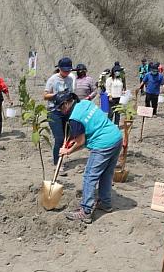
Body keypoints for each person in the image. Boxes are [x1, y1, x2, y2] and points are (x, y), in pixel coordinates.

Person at [53, 92, 123, 225]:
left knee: (90, 176)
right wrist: (71, 143)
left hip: (103, 144)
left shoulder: (75, 119)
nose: (61, 111)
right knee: (106, 174)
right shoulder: (85, 103)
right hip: (116, 137)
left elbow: (80, 142)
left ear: (67, 103)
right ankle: (105, 203)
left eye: (61, 108)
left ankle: (85, 211)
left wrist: (68, 151)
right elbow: (87, 127)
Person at [44, 57, 75, 172]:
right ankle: (56, 163)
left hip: (66, 112)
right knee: (59, 138)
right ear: (59, 69)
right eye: (64, 70)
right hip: (54, 112)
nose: (67, 72)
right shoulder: (53, 79)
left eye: (68, 70)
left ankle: (61, 158)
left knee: (66, 138)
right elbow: (45, 95)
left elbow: (70, 94)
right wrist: (56, 95)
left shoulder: (70, 79)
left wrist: (71, 98)